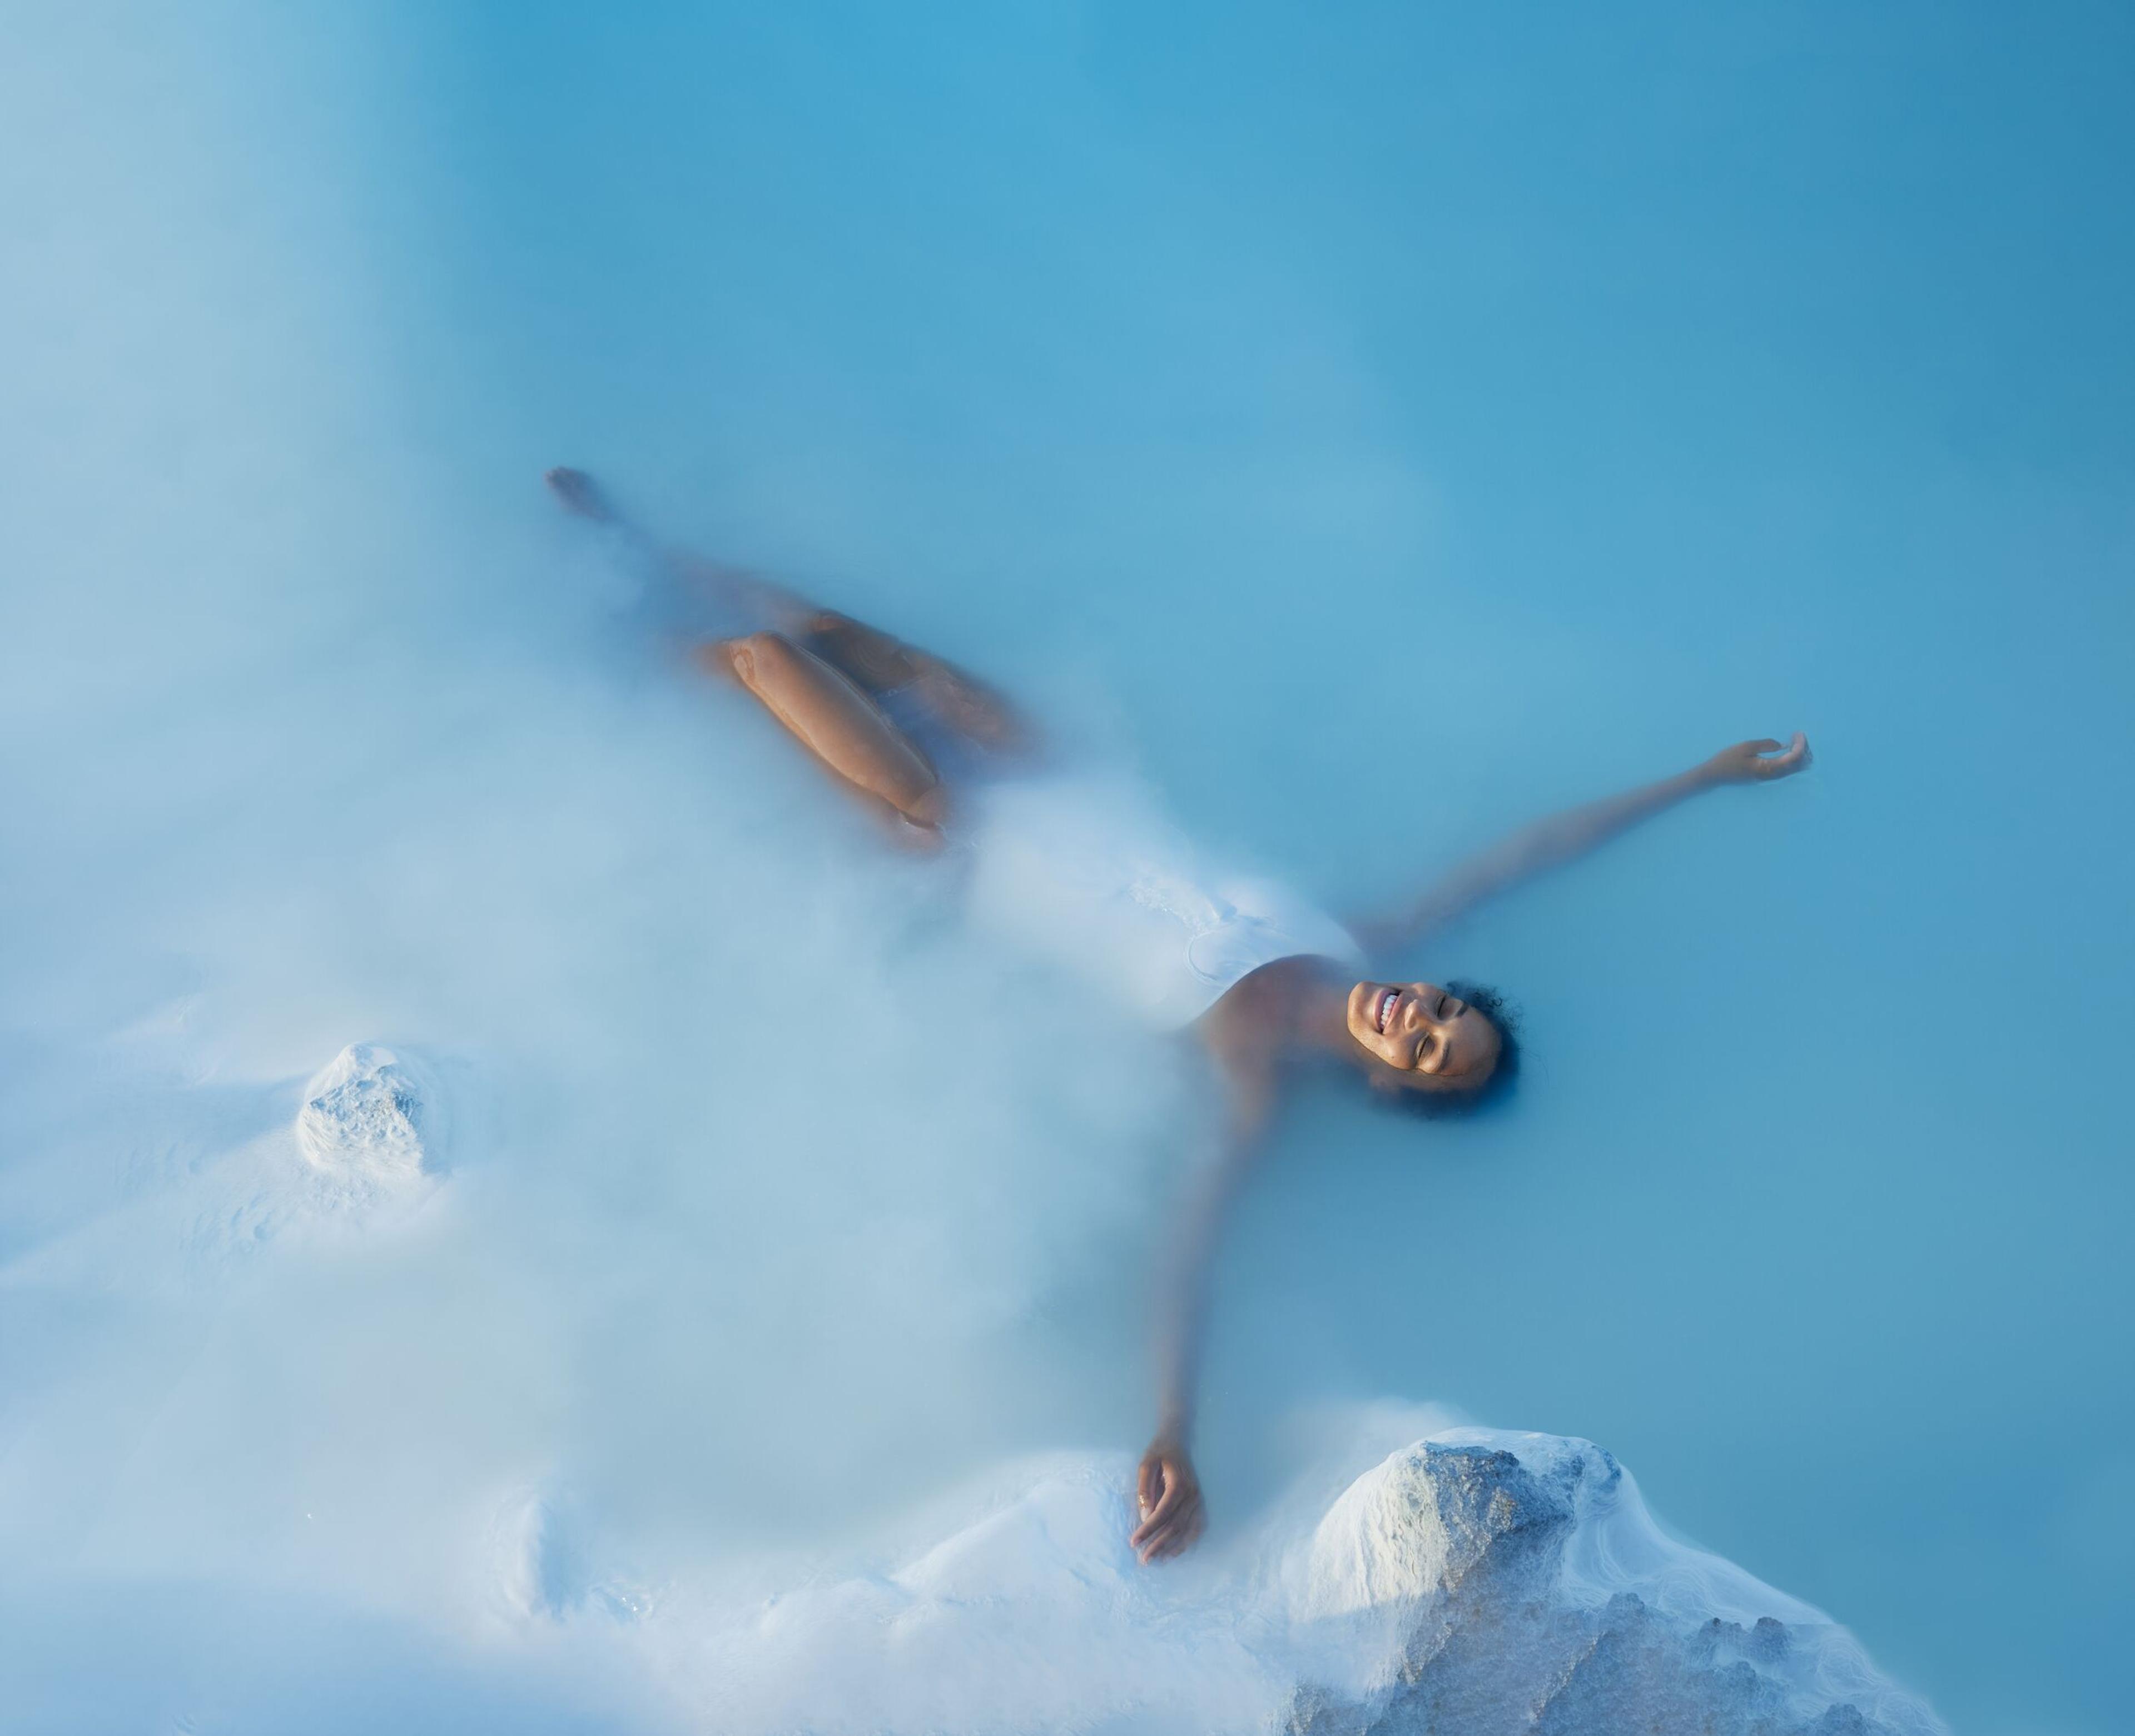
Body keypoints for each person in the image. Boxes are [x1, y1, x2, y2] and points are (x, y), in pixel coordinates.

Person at [545, 466, 1813, 1563]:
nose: (1417, 1014)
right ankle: (639, 552)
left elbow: (1191, 1253)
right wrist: (1696, 778)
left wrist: (1171, 1432)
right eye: (1442, 1009)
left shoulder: (1252, 1065)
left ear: (1389, 1081)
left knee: (767, 665)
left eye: (1425, 1050)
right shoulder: (1359, 940)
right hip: (1037, 758)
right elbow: (1522, 854)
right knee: (832, 629)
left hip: (949, 823)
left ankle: (582, 658)